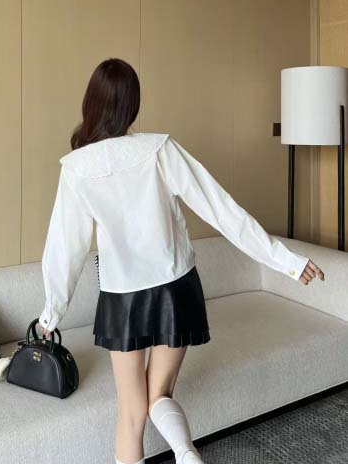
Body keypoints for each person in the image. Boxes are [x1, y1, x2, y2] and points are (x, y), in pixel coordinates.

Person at [38, 58, 325, 464]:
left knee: (131, 413)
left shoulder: (76, 169)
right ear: (133, 105)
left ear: (91, 103)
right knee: (160, 395)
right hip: (175, 288)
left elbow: (64, 249)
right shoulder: (159, 149)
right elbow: (221, 209)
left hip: (123, 298)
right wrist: (287, 261)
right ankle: (186, 454)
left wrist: (51, 313)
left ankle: (187, 455)